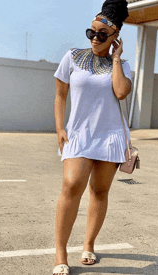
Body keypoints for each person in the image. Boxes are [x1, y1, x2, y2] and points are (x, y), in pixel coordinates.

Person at [53, 0, 131, 274]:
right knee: (72, 184)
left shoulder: (122, 65)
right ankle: (60, 252)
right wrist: (60, 128)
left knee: (99, 191)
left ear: (114, 37)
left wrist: (117, 58)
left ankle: (89, 243)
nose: (95, 38)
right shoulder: (72, 56)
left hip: (109, 136)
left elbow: (121, 92)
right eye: (91, 32)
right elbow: (61, 94)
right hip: (79, 134)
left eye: (102, 34)